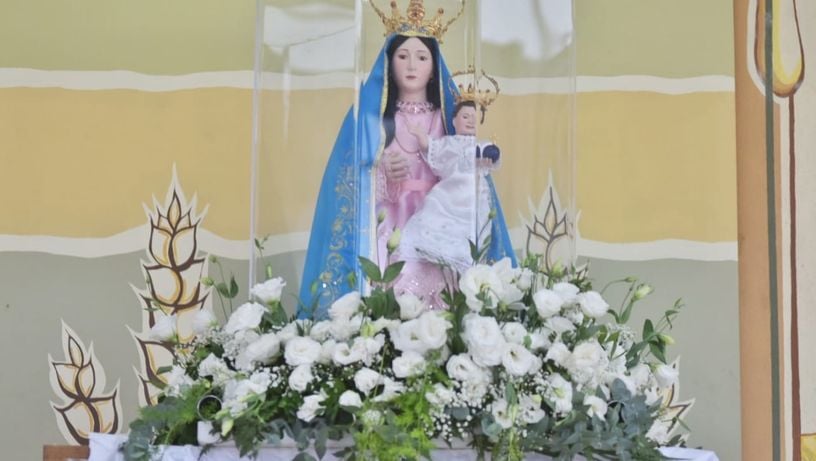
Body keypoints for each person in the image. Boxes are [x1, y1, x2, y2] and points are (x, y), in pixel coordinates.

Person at [299, 28, 516, 318]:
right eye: (403, 56)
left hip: (438, 217)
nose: (412, 65)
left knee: (440, 295)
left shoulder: (446, 119)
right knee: (388, 284)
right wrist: (380, 169)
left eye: (422, 57)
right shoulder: (371, 119)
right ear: (389, 64)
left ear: (433, 68)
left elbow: (466, 162)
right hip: (389, 219)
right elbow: (346, 176)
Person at [397, 100, 501, 274]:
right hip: (448, 194)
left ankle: (465, 265)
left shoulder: (480, 145)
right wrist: (420, 135)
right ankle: (432, 253)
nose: (470, 121)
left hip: (473, 199)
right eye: (465, 116)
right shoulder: (448, 143)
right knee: (433, 217)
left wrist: (491, 153)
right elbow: (431, 148)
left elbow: (492, 157)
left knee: (471, 236)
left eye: (474, 118)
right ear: (453, 121)